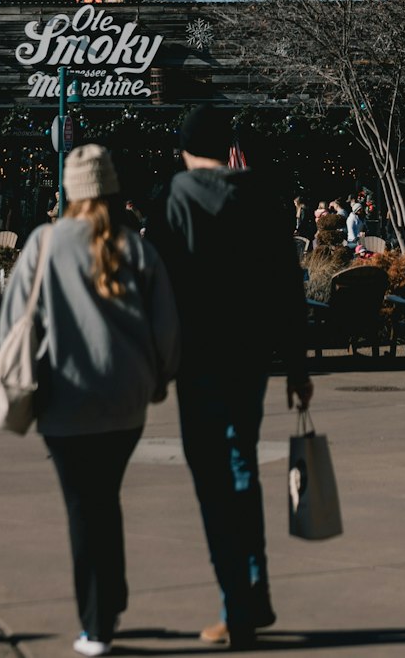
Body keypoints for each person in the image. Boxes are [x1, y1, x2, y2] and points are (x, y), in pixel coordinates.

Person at [0, 145, 180, 657]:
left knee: (84, 507)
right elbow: (166, 328)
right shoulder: (135, 247)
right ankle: (111, 595)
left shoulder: (44, 244)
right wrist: (161, 378)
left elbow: (14, 321)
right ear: (113, 190)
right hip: (127, 401)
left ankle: (96, 625)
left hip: (64, 398)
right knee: (105, 497)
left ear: (69, 191)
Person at [146, 106, 313, 650]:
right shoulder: (262, 198)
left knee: (212, 482)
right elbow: (287, 285)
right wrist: (297, 364)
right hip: (248, 358)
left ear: (185, 148)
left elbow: (157, 285)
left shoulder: (173, 199)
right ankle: (255, 589)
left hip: (197, 361)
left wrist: (156, 362)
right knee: (242, 467)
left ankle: (236, 608)